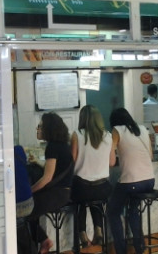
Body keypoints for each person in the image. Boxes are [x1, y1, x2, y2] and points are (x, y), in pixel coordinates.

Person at [107, 108, 155, 254]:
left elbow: (110, 161)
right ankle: (139, 248)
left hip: (131, 182)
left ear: (114, 122)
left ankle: (121, 251)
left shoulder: (116, 130)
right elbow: (151, 156)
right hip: (149, 181)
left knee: (113, 211)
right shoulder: (142, 129)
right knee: (133, 211)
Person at [28, 112, 74, 254]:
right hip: (63, 193)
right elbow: (54, 170)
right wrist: (37, 162)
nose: (38, 129)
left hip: (57, 194)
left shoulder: (52, 147)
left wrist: (29, 191)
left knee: (24, 210)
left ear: (48, 128)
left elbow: (47, 178)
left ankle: (42, 242)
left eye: (40, 126)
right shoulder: (62, 145)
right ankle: (44, 240)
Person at [70, 105, 115, 248]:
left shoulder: (77, 135)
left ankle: (82, 234)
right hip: (103, 188)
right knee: (96, 200)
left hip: (81, 188)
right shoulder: (108, 136)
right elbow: (112, 162)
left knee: (80, 200)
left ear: (82, 118)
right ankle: (98, 230)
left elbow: (72, 162)